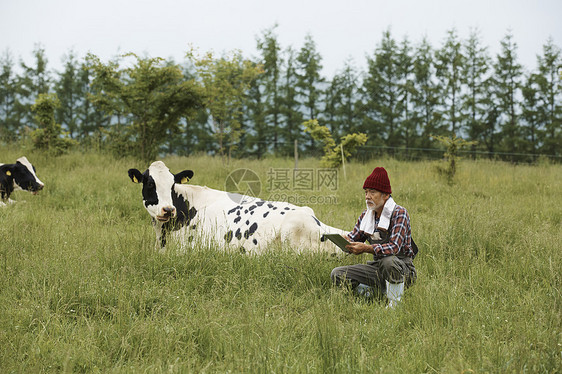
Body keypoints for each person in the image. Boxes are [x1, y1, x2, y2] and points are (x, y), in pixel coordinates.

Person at [331, 167, 417, 308]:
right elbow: (354, 237)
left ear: (385, 195)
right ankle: (373, 293)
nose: (367, 196)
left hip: (402, 269)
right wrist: (345, 242)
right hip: (377, 268)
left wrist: (366, 248)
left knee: (388, 261)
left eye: (372, 192)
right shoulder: (367, 215)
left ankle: (395, 304)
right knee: (338, 274)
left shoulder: (399, 213)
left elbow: (394, 247)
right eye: (366, 192)